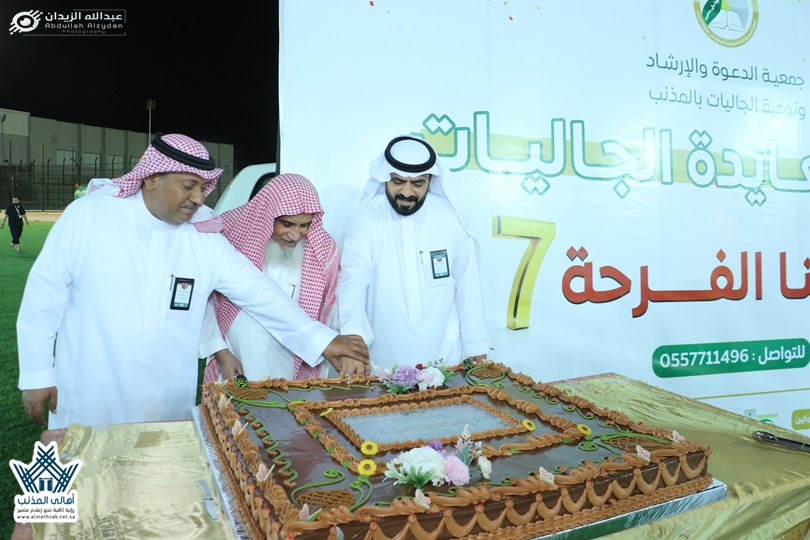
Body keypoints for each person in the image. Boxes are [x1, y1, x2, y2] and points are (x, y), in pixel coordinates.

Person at [17, 133, 368, 429]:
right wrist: (36, 372)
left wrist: (324, 341)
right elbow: (43, 295)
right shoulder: (90, 216)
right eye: (189, 186)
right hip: (93, 391)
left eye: (203, 187)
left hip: (166, 398)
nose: (199, 198)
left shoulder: (202, 235)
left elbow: (260, 293)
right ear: (151, 178)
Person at [338, 135, 488, 368]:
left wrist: (476, 345)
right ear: (385, 177)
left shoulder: (450, 218)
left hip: (444, 359)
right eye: (398, 181)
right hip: (380, 361)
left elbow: (468, 283)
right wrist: (353, 343)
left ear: (430, 180)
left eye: (417, 183)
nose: (407, 192)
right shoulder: (365, 218)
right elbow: (352, 284)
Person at [199, 173, 341, 381]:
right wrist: (220, 351)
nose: (295, 235)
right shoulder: (229, 233)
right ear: (268, 214)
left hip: (291, 367)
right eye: (287, 224)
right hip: (235, 359)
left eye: (304, 225)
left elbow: (331, 308)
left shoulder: (323, 250)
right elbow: (203, 298)